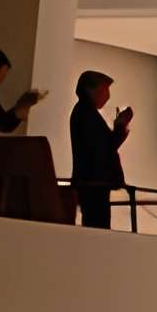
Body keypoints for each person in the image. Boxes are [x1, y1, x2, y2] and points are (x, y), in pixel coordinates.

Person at [66, 68, 132, 229]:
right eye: (104, 89)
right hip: (94, 183)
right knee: (97, 227)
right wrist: (120, 127)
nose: (107, 95)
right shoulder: (86, 113)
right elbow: (105, 147)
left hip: (91, 182)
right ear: (90, 89)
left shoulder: (83, 112)